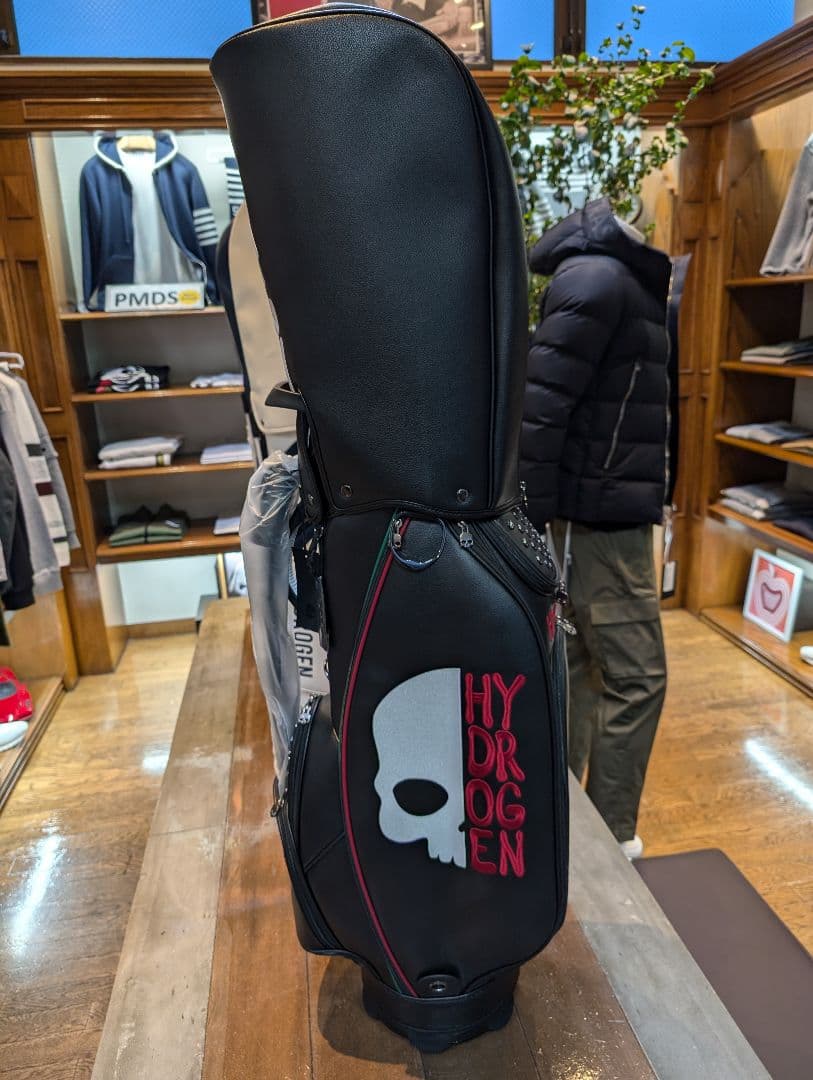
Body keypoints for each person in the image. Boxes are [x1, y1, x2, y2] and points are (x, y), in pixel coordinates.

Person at [520, 197, 673, 858]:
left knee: (581, 672)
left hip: (600, 515)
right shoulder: (599, 279)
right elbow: (541, 407)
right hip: (597, 521)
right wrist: (531, 519)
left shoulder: (607, 278)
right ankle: (608, 842)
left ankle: (568, 832)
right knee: (637, 678)